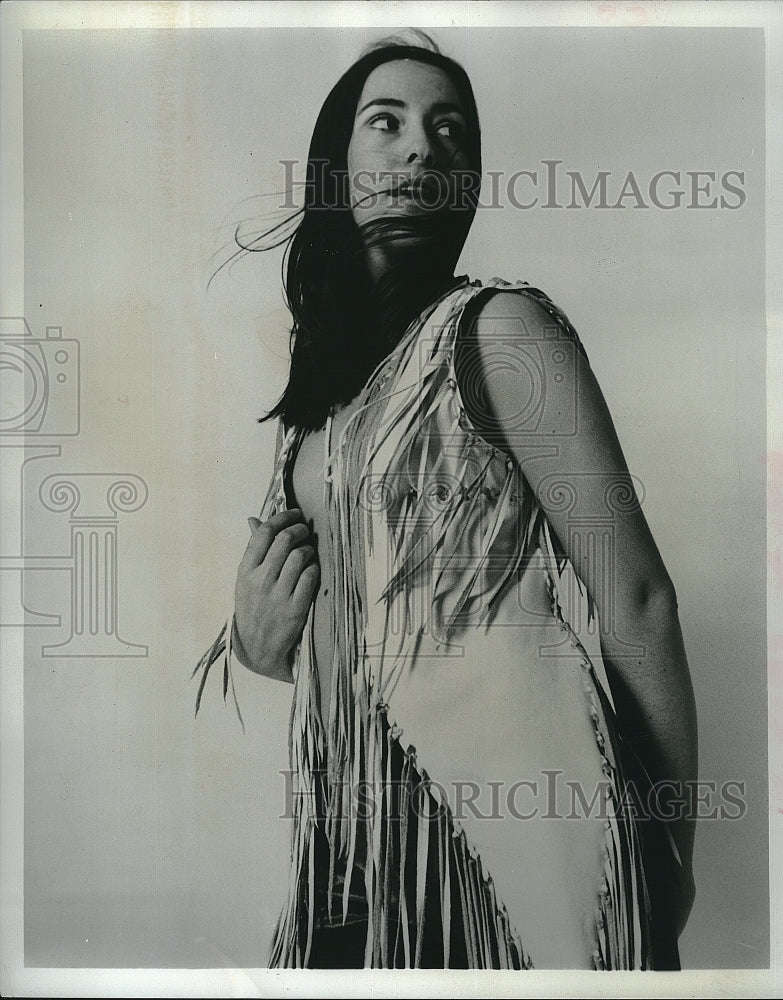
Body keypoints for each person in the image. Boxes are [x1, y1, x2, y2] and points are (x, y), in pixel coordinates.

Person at [194, 31, 698, 970]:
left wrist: (672, 856)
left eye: (450, 131)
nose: (423, 147)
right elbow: (329, 636)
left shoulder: (502, 330)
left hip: (534, 859)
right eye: (386, 122)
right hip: (357, 874)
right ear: (335, 167)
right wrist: (260, 646)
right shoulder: (314, 409)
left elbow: (638, 599)